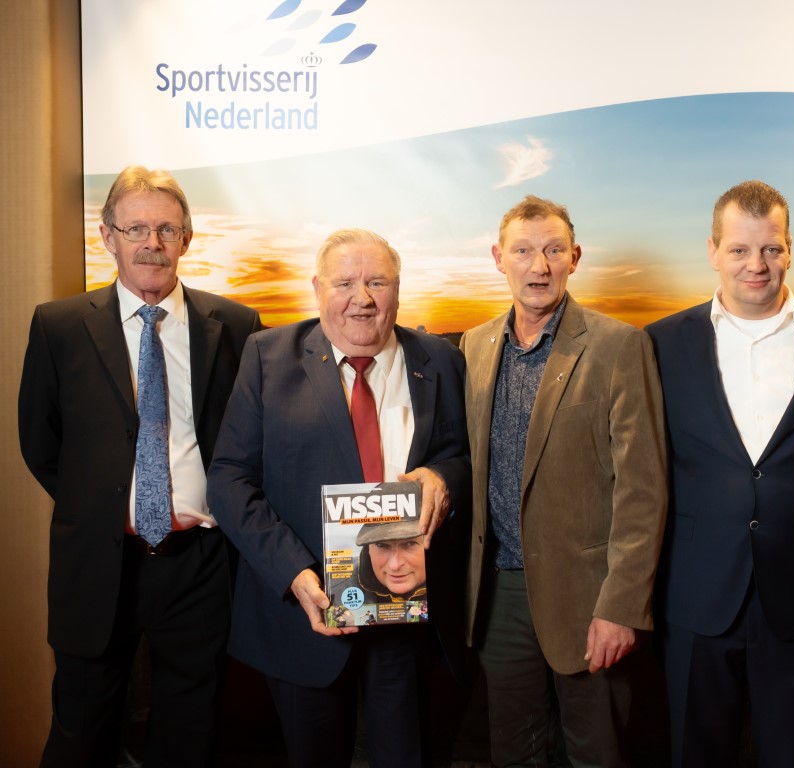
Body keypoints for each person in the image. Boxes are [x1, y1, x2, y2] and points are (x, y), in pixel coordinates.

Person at [17, 165, 263, 767]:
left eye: (166, 230)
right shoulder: (58, 326)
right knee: (81, 735)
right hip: (98, 563)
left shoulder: (236, 327)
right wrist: (104, 508)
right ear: (107, 236)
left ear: (187, 239)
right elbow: (41, 444)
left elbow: (253, 444)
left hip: (202, 564)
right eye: (136, 229)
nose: (152, 243)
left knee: (190, 736)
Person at [206, 228, 470, 768]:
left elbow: (463, 457)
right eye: (345, 283)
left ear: (398, 289)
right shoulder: (268, 357)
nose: (362, 299)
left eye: (377, 282)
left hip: (407, 617)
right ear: (317, 288)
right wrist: (294, 574)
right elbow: (229, 479)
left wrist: (445, 478)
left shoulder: (441, 359)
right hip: (309, 616)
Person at [645, 180, 794, 767]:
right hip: (695, 598)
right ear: (713, 251)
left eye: (771, 248)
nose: (756, 265)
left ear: (790, 250)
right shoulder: (659, 344)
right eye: (739, 249)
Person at [461, 195, 667, 767]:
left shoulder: (619, 346)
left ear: (575, 258)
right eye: (523, 251)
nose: (539, 266)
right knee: (513, 752)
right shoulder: (475, 346)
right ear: (498, 258)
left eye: (554, 251)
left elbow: (643, 491)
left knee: (596, 753)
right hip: (498, 596)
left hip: (589, 598)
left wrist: (622, 607)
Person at [355, 520, 428, 603]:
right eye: (381, 545)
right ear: (368, 548)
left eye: (410, 544)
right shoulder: (342, 585)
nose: (394, 566)